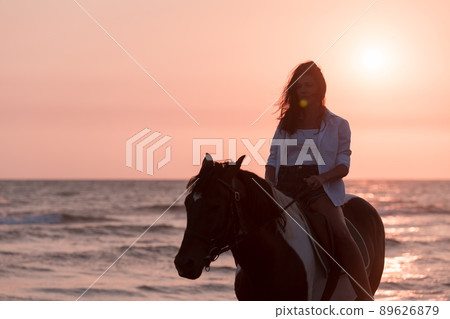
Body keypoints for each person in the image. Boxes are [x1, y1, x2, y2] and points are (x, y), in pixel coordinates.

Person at [265, 61, 373, 301]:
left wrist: (321, 178)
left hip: (319, 187)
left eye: (308, 85)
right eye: (299, 86)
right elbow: (272, 161)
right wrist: (270, 188)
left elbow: (343, 165)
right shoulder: (286, 123)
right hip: (285, 186)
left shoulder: (338, 124)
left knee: (341, 234)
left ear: (319, 88)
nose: (303, 90)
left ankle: (366, 297)